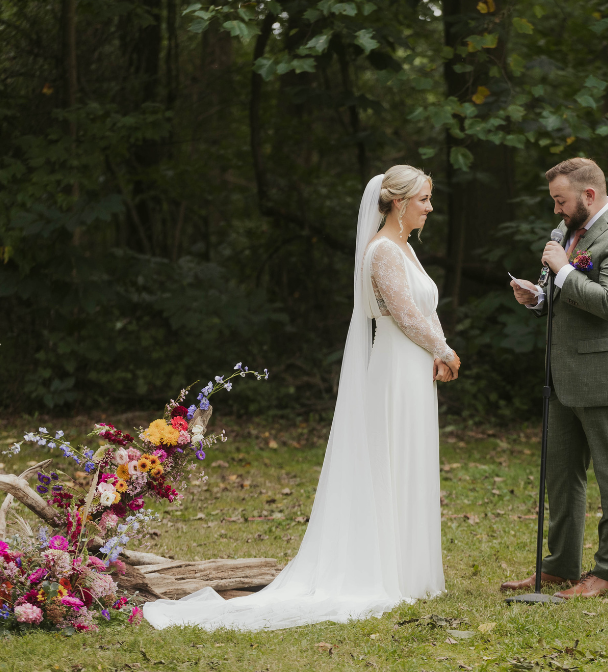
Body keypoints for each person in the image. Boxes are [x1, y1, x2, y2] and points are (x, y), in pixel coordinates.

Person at [143, 165, 460, 630]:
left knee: (411, 460)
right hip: (395, 370)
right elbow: (405, 314)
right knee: (392, 460)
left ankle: (412, 571)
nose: (430, 208)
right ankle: (386, 570)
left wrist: (440, 352)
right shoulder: (383, 252)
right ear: (397, 202)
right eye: (424, 199)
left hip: (417, 370)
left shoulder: (407, 249)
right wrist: (445, 350)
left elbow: (426, 310)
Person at [502, 157, 608, 599]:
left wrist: (564, 270)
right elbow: (563, 296)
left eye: (560, 200)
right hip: (563, 375)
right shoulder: (567, 233)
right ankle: (559, 566)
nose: (556, 210)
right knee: (561, 476)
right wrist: (537, 298)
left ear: (588, 195)